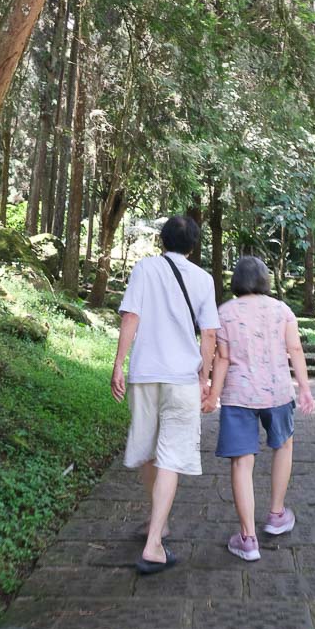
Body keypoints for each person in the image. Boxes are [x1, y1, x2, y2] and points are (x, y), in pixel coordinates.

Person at [111, 215, 220, 574]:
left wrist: (118, 365)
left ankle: (159, 526)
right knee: (170, 456)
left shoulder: (145, 269)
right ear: (193, 246)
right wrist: (204, 378)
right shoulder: (203, 279)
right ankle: (155, 540)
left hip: (145, 375)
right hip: (182, 379)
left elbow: (130, 317)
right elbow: (209, 336)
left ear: (163, 240)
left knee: (148, 451)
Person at [202, 255, 315, 561]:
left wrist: (213, 395)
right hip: (277, 392)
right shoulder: (281, 309)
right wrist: (304, 388)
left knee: (241, 462)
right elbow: (294, 349)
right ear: (265, 279)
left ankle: (248, 538)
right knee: (284, 445)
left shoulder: (223, 312)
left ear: (235, 280)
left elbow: (221, 359)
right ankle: (277, 514)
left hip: (238, 396)